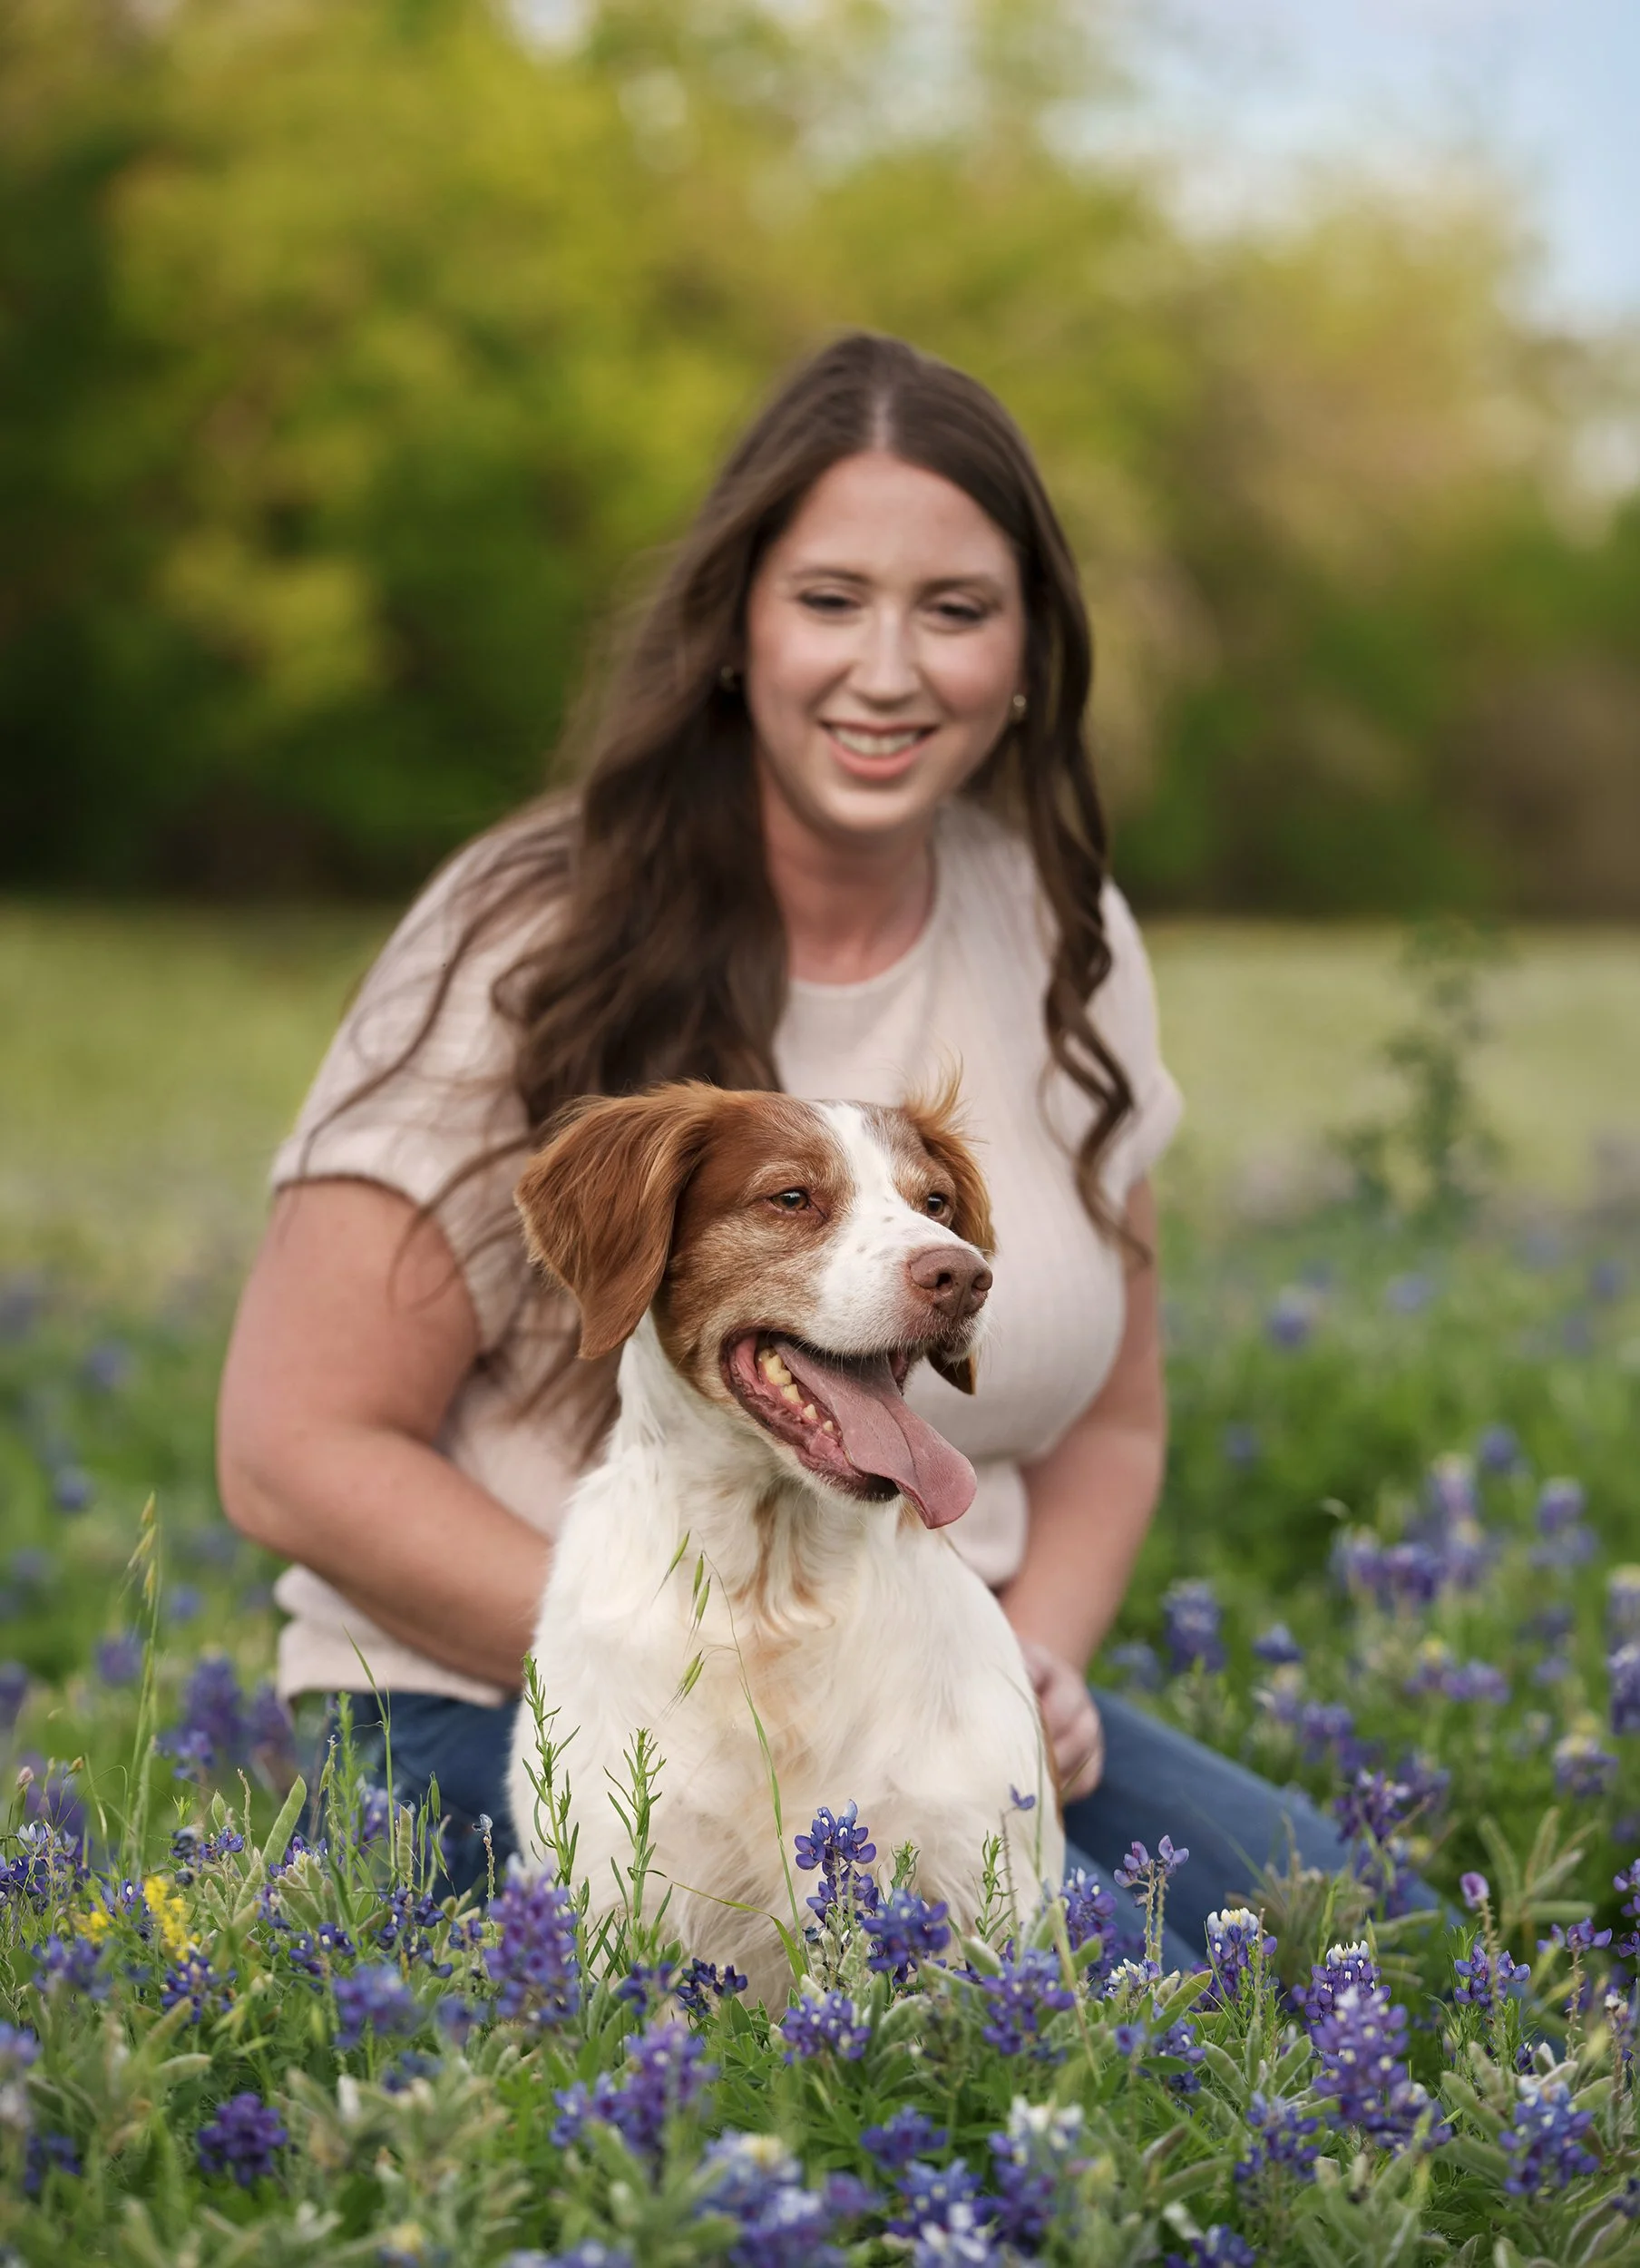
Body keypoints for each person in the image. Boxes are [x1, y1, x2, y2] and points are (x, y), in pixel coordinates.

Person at [218, 330, 1352, 1964]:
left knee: (1320, 1921)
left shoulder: (1059, 931)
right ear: (736, 631)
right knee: (1101, 1997)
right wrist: (670, 1664)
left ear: (1027, 651)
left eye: (955, 610)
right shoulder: (523, 927)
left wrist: (1015, 1669)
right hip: (502, 1683)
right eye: (830, 600)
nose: (887, 670)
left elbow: (1113, 1418)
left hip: (914, 1675)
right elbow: (287, 1449)